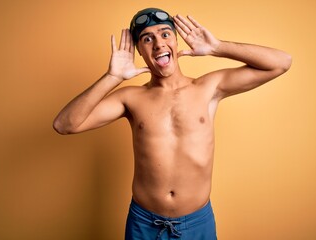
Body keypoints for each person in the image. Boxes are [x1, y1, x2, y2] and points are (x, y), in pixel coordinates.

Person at [53, 7, 292, 240]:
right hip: (144, 223)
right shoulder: (130, 98)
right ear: (139, 50)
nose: (158, 44)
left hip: (197, 222)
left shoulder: (208, 88)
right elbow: (65, 125)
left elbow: (281, 62)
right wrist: (112, 77)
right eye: (148, 39)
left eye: (165, 34)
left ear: (177, 43)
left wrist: (217, 47)